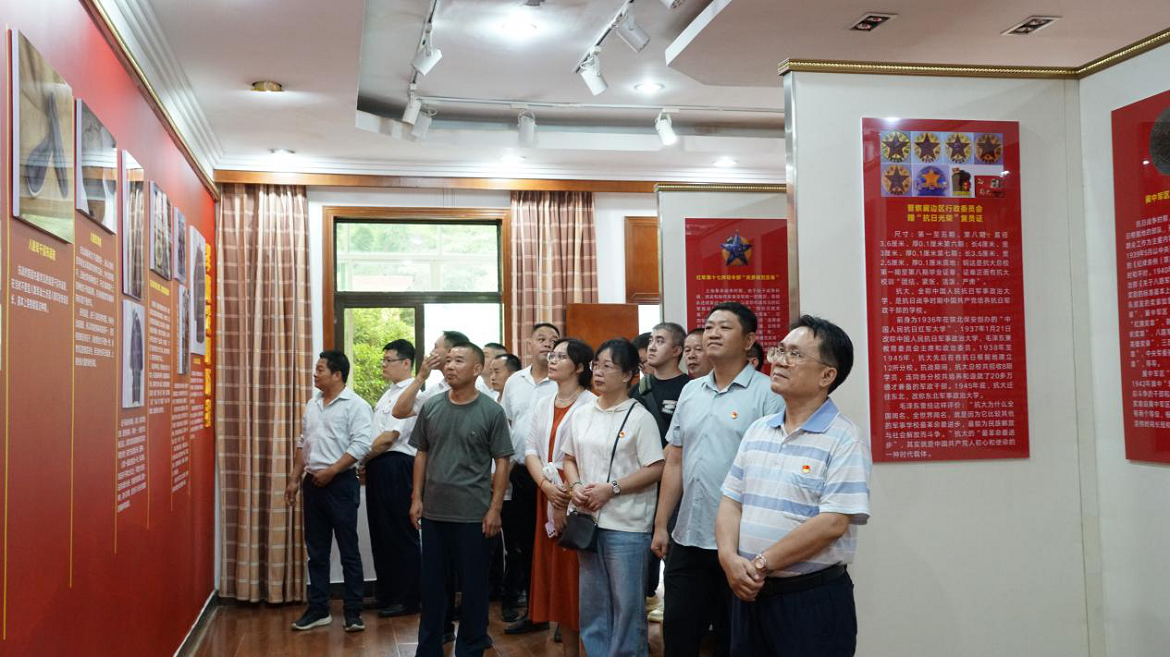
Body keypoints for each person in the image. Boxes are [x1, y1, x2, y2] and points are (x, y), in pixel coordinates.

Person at [716, 315, 870, 656]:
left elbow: (833, 522)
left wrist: (760, 564)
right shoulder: (758, 430)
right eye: (781, 350)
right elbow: (731, 501)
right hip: (749, 595)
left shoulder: (845, 439)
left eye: (796, 354)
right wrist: (728, 558)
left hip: (810, 602)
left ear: (827, 376)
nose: (781, 361)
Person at [651, 303, 784, 657]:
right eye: (709, 326)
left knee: (734, 641)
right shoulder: (691, 391)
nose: (712, 333)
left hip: (741, 545)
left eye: (724, 327)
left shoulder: (768, 394)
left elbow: (773, 469)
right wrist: (662, 524)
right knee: (678, 636)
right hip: (688, 536)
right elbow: (675, 459)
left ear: (748, 341)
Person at [410, 342, 513, 657]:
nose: (450, 366)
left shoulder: (491, 411)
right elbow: (422, 453)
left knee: (473, 589)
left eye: (459, 360)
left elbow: (503, 461)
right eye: (449, 360)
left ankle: (470, 648)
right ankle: (428, 648)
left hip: (473, 516)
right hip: (434, 514)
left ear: (477, 369)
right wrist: (416, 497)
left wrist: (495, 509)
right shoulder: (431, 406)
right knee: (432, 588)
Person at [563, 339, 665, 657]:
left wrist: (613, 488)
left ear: (628, 375)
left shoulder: (639, 417)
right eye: (596, 364)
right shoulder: (582, 413)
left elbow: (656, 467)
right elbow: (568, 457)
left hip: (627, 524)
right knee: (593, 602)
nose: (598, 371)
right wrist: (575, 485)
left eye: (608, 366)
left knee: (626, 606)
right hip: (587, 520)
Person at [285, 351, 373, 632]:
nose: (315, 374)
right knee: (317, 550)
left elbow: (361, 445)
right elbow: (303, 443)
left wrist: (333, 470)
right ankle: (318, 609)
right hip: (313, 484)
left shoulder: (356, 405)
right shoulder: (312, 404)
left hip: (341, 484)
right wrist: (294, 479)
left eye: (320, 369)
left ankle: (353, 613)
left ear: (337, 375)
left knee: (349, 550)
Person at [523, 338, 596, 656]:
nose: (552, 360)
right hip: (548, 493)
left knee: (576, 579)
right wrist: (546, 487)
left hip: (576, 498)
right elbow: (530, 449)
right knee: (557, 581)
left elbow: (585, 459)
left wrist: (563, 496)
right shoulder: (543, 403)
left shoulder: (590, 404)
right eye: (552, 355)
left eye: (561, 356)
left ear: (579, 367)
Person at [500, 322, 560, 629]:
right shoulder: (515, 381)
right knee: (524, 543)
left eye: (553, 340)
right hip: (522, 473)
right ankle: (533, 611)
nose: (547, 344)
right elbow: (507, 425)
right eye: (541, 338)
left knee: (556, 542)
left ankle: (560, 615)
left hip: (555, 476)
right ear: (529, 345)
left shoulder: (562, 381)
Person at [629, 322, 689, 623]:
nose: (652, 346)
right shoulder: (638, 389)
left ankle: (675, 608)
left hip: (677, 483)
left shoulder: (690, 389)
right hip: (641, 482)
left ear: (677, 350)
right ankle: (644, 600)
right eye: (651, 340)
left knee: (674, 549)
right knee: (642, 548)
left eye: (660, 341)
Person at [364, 339, 421, 618]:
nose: (384, 365)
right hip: (379, 465)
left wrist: (359, 458)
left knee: (399, 532)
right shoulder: (387, 394)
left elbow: (389, 438)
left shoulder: (410, 394)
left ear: (406, 363)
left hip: (397, 465)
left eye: (389, 360)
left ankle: (408, 598)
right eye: (383, 360)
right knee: (381, 532)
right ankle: (386, 594)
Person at [391, 330, 494, 420]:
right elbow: (399, 412)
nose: (431, 352)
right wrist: (420, 377)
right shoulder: (437, 389)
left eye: (435, 347)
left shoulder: (477, 386)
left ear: (453, 350)